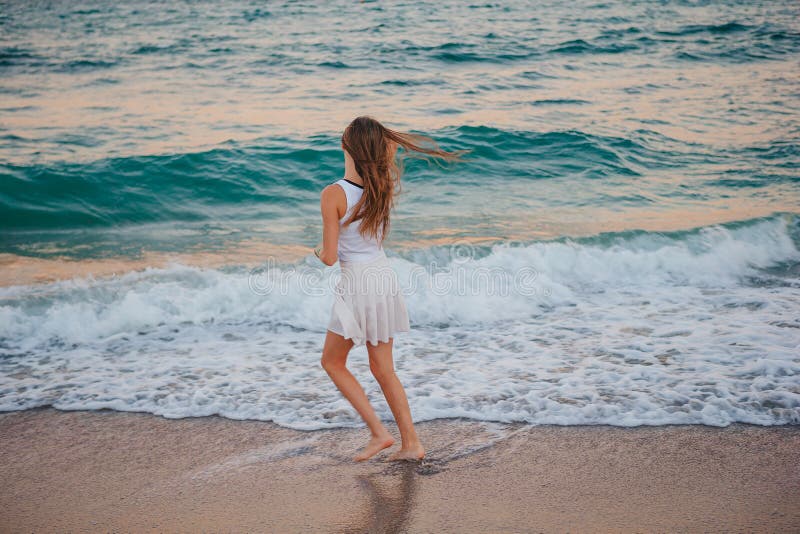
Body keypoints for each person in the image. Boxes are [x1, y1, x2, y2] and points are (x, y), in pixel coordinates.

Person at [315, 116, 466, 461]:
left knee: (332, 362)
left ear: (346, 146)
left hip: (358, 285)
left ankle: (379, 433)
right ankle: (411, 444)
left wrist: (316, 251)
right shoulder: (380, 188)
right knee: (384, 368)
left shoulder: (333, 194)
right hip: (383, 278)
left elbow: (329, 257)